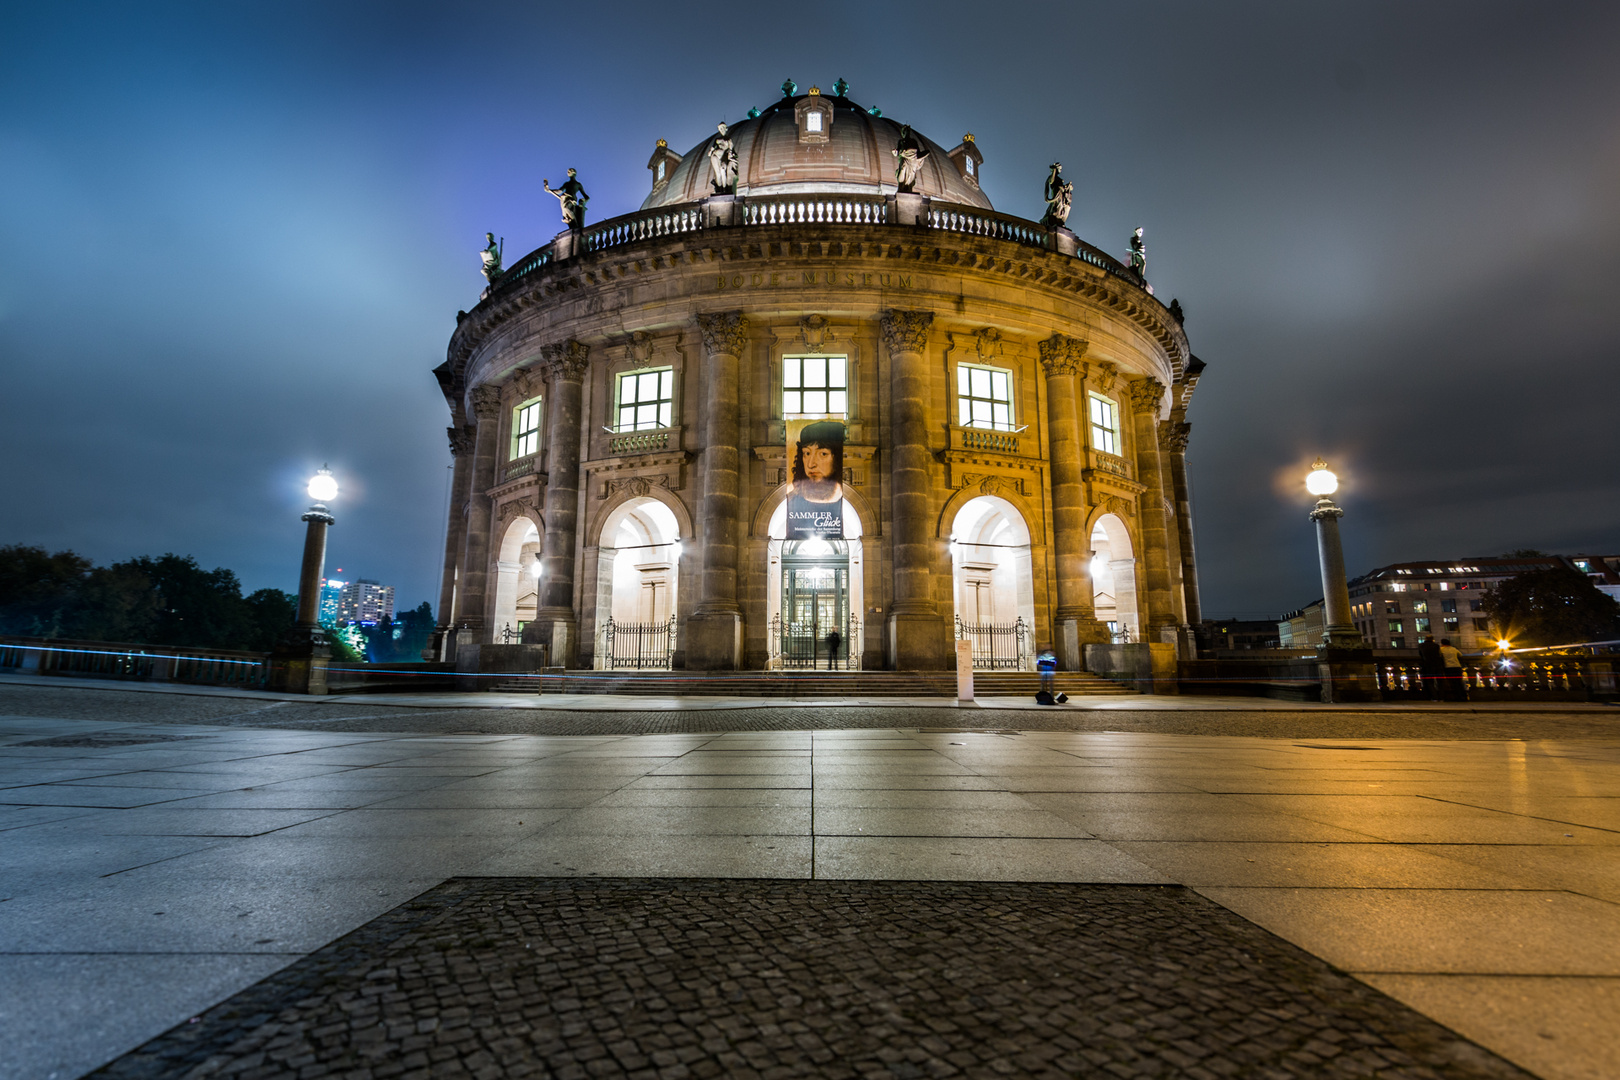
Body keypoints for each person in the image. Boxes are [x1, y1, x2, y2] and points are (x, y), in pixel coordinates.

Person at [785, 420, 845, 539]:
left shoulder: (844, 501)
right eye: (806, 453)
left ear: (837, 457)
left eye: (823, 454)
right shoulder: (791, 499)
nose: (811, 464)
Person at [1417, 636, 1444, 701]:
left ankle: (1434, 697)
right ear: (1432, 639)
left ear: (1425, 639)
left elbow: (1421, 655)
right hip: (1437, 665)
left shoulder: (1421, 646)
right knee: (1439, 682)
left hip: (1427, 665)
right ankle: (1441, 697)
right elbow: (1439, 654)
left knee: (1429, 682)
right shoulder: (1436, 646)